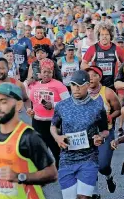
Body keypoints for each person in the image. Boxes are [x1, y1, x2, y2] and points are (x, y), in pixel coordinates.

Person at [0, 83, 58, 198]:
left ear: (18, 105)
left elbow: (52, 174)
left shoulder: (29, 136)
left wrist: (20, 177)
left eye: (3, 102)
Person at [50, 70, 109, 199]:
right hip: (67, 158)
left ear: (87, 85)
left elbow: (105, 130)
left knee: (83, 197)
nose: (76, 89)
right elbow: (53, 125)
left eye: (79, 85)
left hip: (88, 158)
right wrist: (57, 137)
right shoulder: (62, 106)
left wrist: (101, 137)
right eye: (73, 85)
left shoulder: (97, 107)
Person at [26, 59, 70, 168]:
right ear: (40, 72)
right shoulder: (34, 85)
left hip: (53, 123)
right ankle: (43, 173)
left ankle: (60, 171)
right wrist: (29, 110)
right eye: (44, 71)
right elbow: (28, 99)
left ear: (53, 73)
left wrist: (54, 105)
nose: (47, 74)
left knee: (56, 149)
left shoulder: (59, 85)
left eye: (49, 72)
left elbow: (69, 102)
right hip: (37, 122)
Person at [85, 66, 121, 196]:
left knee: (103, 165)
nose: (90, 78)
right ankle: (95, 193)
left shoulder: (108, 92)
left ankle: (109, 177)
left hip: (106, 132)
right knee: (90, 165)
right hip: (88, 135)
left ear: (99, 77)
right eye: (88, 75)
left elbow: (118, 109)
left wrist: (110, 116)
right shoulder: (82, 92)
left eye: (94, 75)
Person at [81, 22, 124, 90]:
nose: (104, 36)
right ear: (99, 36)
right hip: (97, 85)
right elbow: (83, 64)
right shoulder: (93, 48)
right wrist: (92, 71)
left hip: (113, 84)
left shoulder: (117, 49)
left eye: (107, 34)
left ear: (111, 36)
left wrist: (120, 70)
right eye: (102, 34)